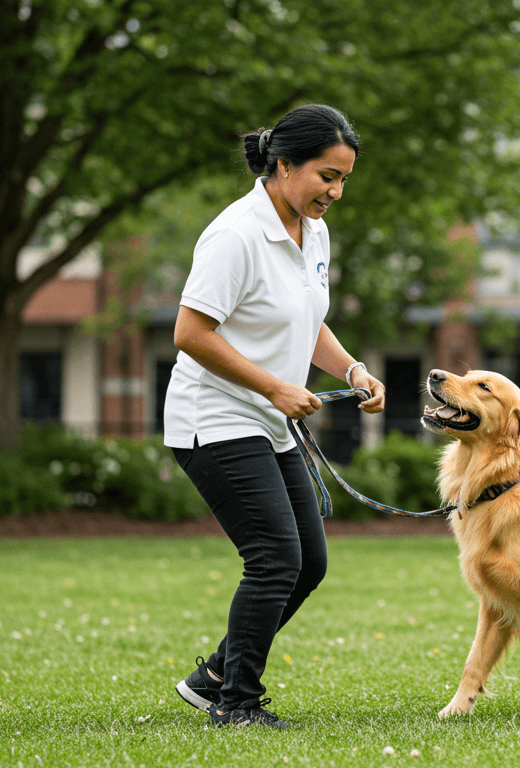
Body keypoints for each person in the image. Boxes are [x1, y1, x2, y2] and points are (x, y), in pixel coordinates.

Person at [164, 104, 384, 728]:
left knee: (307, 563)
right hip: (214, 416)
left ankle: (214, 676)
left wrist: (351, 370)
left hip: (265, 417)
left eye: (343, 178)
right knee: (274, 559)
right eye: (325, 176)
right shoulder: (235, 234)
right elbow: (190, 332)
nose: (335, 192)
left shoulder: (313, 230)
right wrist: (276, 388)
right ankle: (235, 703)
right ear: (284, 166)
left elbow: (305, 320)